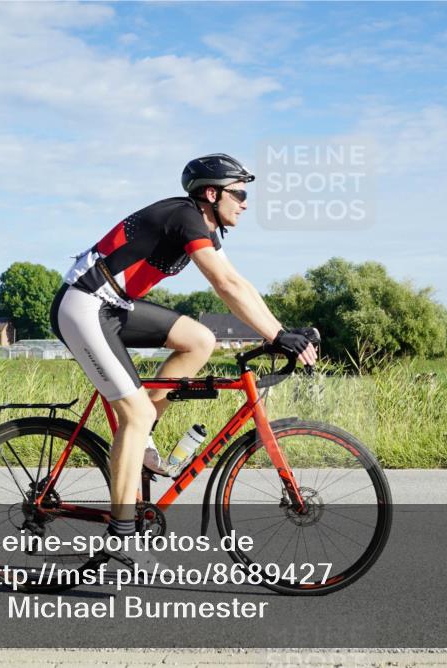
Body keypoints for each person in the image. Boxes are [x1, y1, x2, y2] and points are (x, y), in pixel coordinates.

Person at [49, 153, 318, 565]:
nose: (245, 203)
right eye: (239, 193)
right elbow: (224, 285)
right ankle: (121, 533)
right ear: (211, 194)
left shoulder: (203, 225)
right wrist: (278, 337)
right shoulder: (185, 216)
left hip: (114, 306)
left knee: (200, 340)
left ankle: (142, 437)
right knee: (136, 414)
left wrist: (283, 332)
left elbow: (240, 283)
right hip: (83, 305)